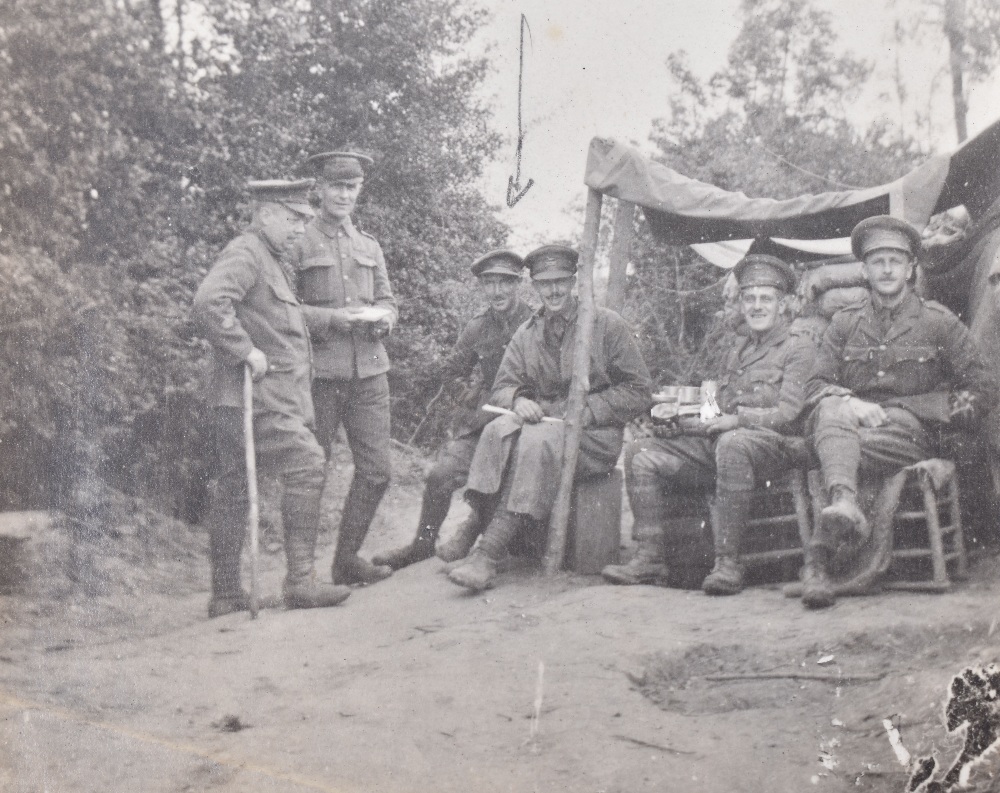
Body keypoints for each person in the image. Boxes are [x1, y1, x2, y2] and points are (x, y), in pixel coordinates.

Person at [802, 215, 995, 609]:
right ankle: (844, 503)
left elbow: (983, 387)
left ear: (911, 269)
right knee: (831, 411)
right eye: (878, 261)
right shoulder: (843, 324)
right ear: (864, 270)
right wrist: (849, 400)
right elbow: (814, 386)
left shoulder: (937, 322)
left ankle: (821, 560)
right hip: (852, 427)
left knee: (830, 437)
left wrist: (929, 409)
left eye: (895, 260)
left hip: (910, 432)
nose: (887, 269)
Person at [602, 254, 814, 595]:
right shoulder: (738, 348)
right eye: (750, 299)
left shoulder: (798, 348)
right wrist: (682, 421)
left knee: (732, 443)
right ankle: (650, 557)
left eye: (766, 299)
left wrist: (735, 420)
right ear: (742, 304)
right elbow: (717, 404)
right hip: (725, 446)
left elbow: (789, 412)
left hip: (774, 449)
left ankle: (728, 563)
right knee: (642, 451)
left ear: (783, 304)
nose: (757, 307)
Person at [447, 244, 652, 592]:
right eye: (544, 284)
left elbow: (639, 390)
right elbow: (503, 386)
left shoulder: (605, 325)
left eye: (560, 281)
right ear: (535, 286)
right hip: (543, 426)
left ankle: (488, 554)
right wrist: (519, 398)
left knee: (536, 441)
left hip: (593, 437)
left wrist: (589, 409)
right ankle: (476, 520)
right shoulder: (527, 333)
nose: (553, 291)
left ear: (573, 282)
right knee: (496, 430)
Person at [193, 179, 352, 617]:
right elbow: (209, 302)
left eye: (305, 219)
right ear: (265, 214)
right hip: (256, 398)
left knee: (233, 489)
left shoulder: (271, 258)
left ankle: (225, 594)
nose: (302, 227)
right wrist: (245, 350)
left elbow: (283, 320)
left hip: (254, 399)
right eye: (293, 217)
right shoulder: (247, 253)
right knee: (307, 463)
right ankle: (300, 583)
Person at [371, 250, 533, 570]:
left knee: (508, 477)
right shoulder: (478, 327)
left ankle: (478, 536)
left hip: (528, 420)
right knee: (441, 474)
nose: (497, 291)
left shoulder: (534, 325)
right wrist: (467, 397)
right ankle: (423, 544)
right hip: (487, 419)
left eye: (505, 283)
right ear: (482, 287)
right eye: (489, 283)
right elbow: (452, 370)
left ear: (518, 285)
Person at [293, 151, 398, 585]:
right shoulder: (298, 242)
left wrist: (386, 320)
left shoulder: (368, 246)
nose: (343, 195)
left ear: (360, 190)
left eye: (351, 187)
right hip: (321, 375)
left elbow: (388, 300)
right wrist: (333, 320)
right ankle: (302, 573)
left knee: (377, 470)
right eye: (336, 186)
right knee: (311, 470)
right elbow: (284, 310)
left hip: (370, 373)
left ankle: (346, 559)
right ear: (319, 188)